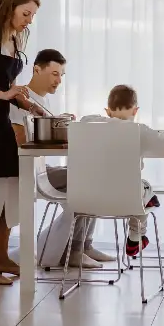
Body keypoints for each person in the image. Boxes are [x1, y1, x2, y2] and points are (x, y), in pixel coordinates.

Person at [10, 49, 114, 269]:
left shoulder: (44, 100)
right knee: (90, 178)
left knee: (93, 177)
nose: (58, 81)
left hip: (41, 167)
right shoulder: (21, 99)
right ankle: (75, 250)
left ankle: (83, 246)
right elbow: (20, 143)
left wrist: (61, 123)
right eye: (54, 74)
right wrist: (56, 129)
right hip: (28, 171)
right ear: (37, 69)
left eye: (62, 76)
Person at [82, 84, 164, 257]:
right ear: (135, 111)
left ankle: (146, 207)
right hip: (127, 198)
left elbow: (86, 118)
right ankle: (136, 235)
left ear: (107, 111)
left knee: (140, 191)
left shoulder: (88, 124)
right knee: (144, 188)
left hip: (88, 197)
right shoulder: (140, 131)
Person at [0, 0, 39, 285]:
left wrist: (23, 99)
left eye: (32, 15)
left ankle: (2, 256)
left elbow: (8, 85)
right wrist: (6, 94)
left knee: (8, 188)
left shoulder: (17, 39)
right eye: (25, 13)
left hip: (2, 119)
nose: (29, 20)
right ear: (10, 8)